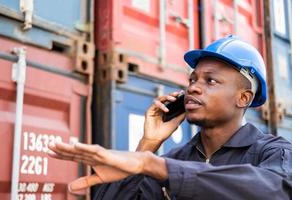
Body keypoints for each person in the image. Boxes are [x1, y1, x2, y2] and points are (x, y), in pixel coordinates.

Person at [48, 35, 292, 200]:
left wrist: (151, 164)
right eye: (193, 80)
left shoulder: (273, 153)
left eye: (211, 81)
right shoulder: (174, 159)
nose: (194, 88)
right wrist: (148, 145)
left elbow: (274, 190)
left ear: (243, 98)